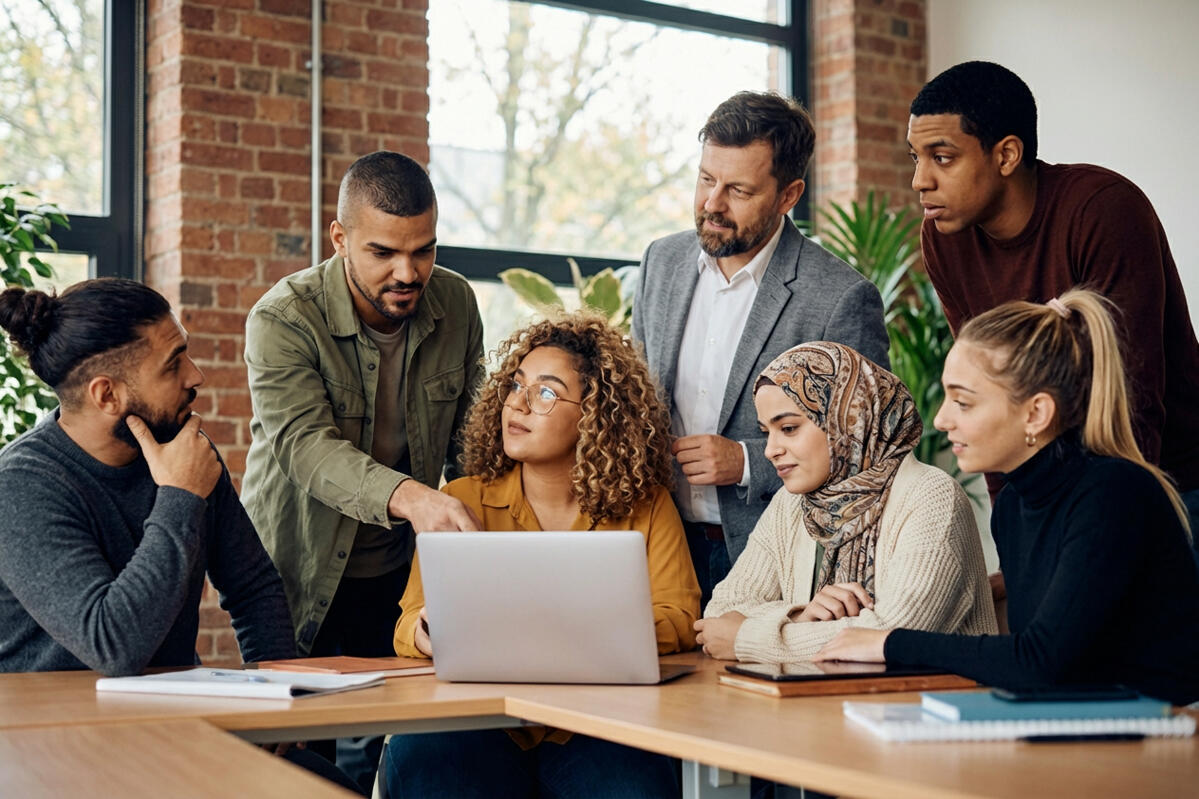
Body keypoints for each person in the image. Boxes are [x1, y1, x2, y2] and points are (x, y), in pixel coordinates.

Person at [0, 280, 361, 792]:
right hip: (53, 745)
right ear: (108, 394)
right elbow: (114, 645)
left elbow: (252, 585)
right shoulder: (21, 485)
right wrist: (180, 496)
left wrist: (281, 701)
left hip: (167, 724)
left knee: (326, 784)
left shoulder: (186, 453)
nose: (197, 375)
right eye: (173, 364)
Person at [816, 291, 1199, 706]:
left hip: (1166, 739)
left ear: (1036, 413)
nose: (942, 420)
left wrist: (888, 643)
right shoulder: (1014, 506)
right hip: (1077, 725)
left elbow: (1039, 661)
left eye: (963, 402)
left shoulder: (1114, 493)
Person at [242, 150, 484, 789]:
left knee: (391, 740)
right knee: (297, 756)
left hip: (401, 573)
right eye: (384, 253)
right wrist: (412, 497)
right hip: (299, 570)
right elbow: (304, 447)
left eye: (424, 250)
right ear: (340, 238)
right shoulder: (283, 318)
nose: (409, 273)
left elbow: (470, 442)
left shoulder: (455, 303)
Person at [387, 314, 699, 799]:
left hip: (598, 723)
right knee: (427, 760)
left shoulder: (648, 505)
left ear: (597, 415)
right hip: (478, 719)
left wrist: (581, 631)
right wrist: (429, 631)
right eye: (516, 384)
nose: (520, 403)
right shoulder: (462, 498)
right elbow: (408, 623)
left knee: (632, 782)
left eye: (547, 392)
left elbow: (680, 617)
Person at [908, 60, 1199, 543]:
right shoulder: (944, 237)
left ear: (1005, 155)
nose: (920, 180)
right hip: (1053, 486)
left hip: (1171, 481)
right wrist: (1014, 531)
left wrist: (1115, 540)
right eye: (914, 157)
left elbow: (1133, 394)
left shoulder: (1104, 209)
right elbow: (987, 395)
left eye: (942, 157)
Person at [633, 91, 891, 608]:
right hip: (657, 549)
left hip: (771, 560)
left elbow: (868, 452)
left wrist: (748, 462)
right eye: (706, 179)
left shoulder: (840, 298)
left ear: (788, 194)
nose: (711, 204)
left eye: (738, 190)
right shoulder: (660, 262)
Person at [696, 341, 995, 664]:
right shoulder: (792, 503)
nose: (770, 450)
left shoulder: (931, 497)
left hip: (929, 708)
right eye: (766, 432)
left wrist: (748, 638)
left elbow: (893, 635)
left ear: (847, 420)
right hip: (821, 706)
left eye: (788, 428)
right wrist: (798, 615)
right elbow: (721, 612)